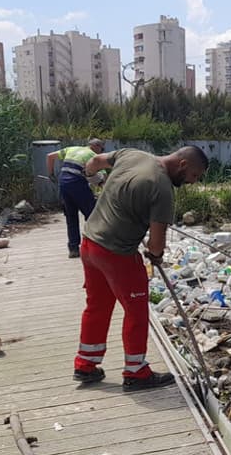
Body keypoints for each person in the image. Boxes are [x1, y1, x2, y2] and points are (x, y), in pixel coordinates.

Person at [72, 145, 209, 391]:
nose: (192, 182)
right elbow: (157, 243)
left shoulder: (132, 154)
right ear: (183, 164)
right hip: (117, 253)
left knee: (97, 305)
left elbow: (95, 161)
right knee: (136, 311)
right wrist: (155, 255)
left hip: (89, 244)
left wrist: (95, 179)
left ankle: (85, 365)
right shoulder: (162, 188)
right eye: (194, 176)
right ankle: (136, 372)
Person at [46, 138, 106, 258]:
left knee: (71, 216)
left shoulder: (72, 149)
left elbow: (50, 156)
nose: (101, 152)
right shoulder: (94, 156)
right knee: (92, 216)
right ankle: (94, 246)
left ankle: (73, 249)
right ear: (97, 147)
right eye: (102, 149)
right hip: (78, 184)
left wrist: (51, 174)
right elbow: (102, 178)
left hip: (64, 184)